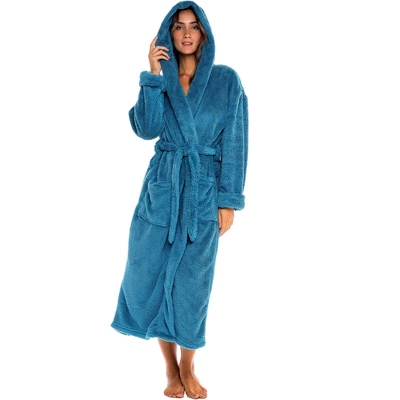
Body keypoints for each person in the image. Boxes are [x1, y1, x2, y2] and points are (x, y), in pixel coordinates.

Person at [111, 1, 248, 398]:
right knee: (150, 275)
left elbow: (236, 142)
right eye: (178, 27)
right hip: (162, 190)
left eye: (194, 26)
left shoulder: (226, 80)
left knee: (193, 285)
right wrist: (152, 77)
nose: (186, 33)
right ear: (167, 34)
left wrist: (228, 200)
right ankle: (170, 368)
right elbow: (146, 128)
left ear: (204, 33)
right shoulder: (161, 80)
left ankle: (188, 366)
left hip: (203, 192)